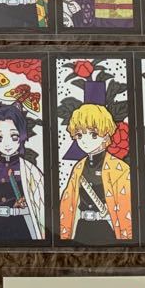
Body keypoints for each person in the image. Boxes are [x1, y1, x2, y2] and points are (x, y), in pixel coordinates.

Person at [58, 81, 132, 242]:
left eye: (93, 134)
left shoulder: (120, 168)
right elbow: (68, 202)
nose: (85, 141)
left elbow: (126, 208)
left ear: (106, 135)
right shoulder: (79, 167)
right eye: (79, 135)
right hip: (82, 227)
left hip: (107, 228)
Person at [0, 101, 45, 241]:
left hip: (20, 225)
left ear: (21, 136)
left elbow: (42, 204)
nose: (6, 144)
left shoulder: (29, 169)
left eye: (14, 136)